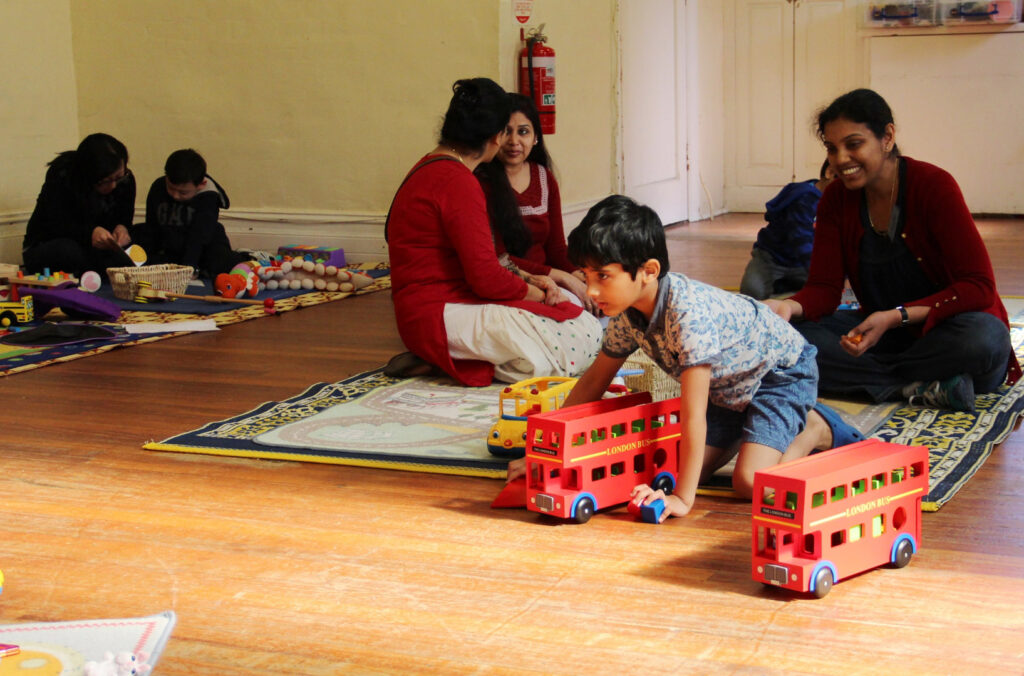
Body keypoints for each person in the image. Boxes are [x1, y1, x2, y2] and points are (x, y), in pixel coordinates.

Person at [507, 195, 863, 520]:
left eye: (603, 276)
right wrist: (541, 456)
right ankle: (749, 425)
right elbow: (592, 383)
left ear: (649, 271)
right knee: (672, 468)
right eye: (586, 276)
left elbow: (693, 414)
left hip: (779, 374)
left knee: (751, 483)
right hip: (728, 390)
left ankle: (816, 427)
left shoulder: (687, 315)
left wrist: (682, 498)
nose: (592, 290)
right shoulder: (627, 317)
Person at [766, 88, 1019, 412]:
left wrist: (896, 316)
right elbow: (824, 290)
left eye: (854, 144)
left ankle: (877, 380)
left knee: (985, 340)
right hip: (886, 333)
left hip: (949, 332)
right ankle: (918, 386)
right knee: (792, 338)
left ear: (887, 137)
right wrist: (786, 308)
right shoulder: (835, 199)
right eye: (832, 148)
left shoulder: (934, 186)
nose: (840, 159)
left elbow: (979, 288)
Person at [385, 78, 603, 386]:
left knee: (569, 314)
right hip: (438, 313)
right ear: (495, 137)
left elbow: (487, 262)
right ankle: (450, 357)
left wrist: (531, 280)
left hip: (436, 307)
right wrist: (539, 295)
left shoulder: (433, 166)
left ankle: (458, 357)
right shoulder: (459, 181)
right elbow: (486, 277)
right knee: (585, 332)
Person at [476, 94, 593, 312]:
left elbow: (556, 247)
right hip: (515, 282)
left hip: (550, 277)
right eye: (505, 132)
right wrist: (562, 277)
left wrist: (575, 273)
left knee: (598, 300)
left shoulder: (544, 177)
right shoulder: (481, 183)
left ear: (535, 137)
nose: (513, 141)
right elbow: (498, 258)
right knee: (571, 309)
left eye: (523, 131)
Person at [22, 133, 136, 276]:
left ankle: (99, 268)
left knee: (143, 238)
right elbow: (56, 223)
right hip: (52, 242)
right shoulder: (62, 175)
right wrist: (90, 233)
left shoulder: (125, 180)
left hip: (100, 246)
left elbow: (124, 216)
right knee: (69, 252)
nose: (113, 185)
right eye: (106, 181)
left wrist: (122, 228)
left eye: (118, 178)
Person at [133, 148, 244, 278]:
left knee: (224, 261)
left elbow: (199, 236)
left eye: (183, 192)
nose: (175, 195)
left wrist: (189, 266)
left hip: (200, 247)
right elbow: (151, 225)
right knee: (135, 238)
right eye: (171, 188)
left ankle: (246, 257)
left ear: (201, 184)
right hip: (169, 244)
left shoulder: (208, 196)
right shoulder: (158, 186)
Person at [739, 159, 835, 300]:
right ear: (830, 172)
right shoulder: (803, 198)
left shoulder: (839, 203)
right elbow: (801, 241)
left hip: (803, 264)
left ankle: (787, 285)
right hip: (773, 258)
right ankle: (784, 285)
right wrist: (822, 275)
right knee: (752, 292)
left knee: (824, 292)